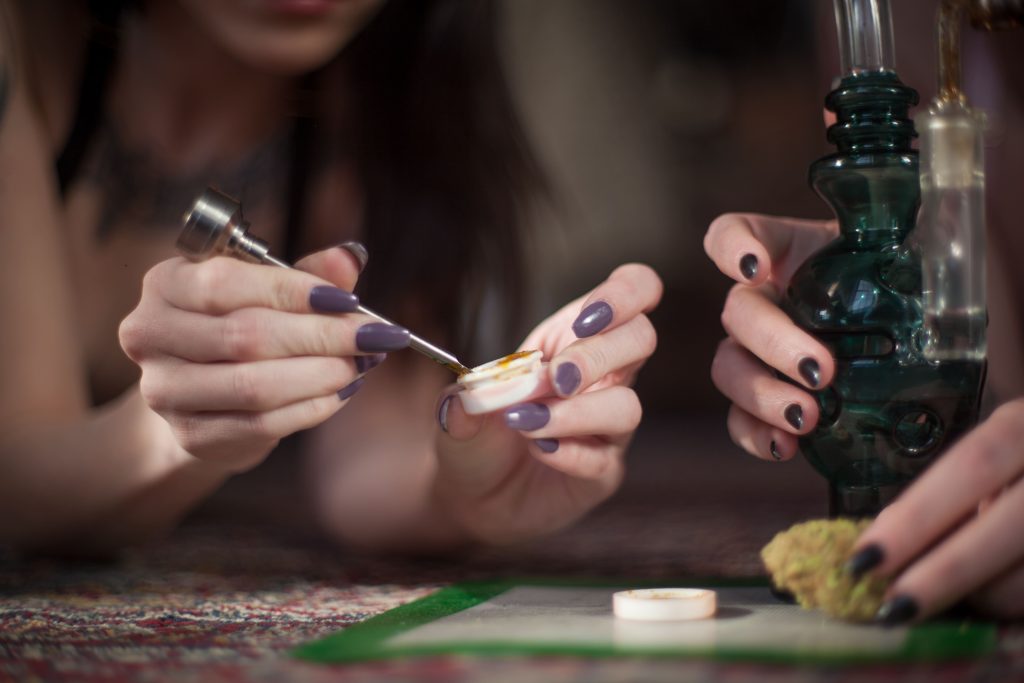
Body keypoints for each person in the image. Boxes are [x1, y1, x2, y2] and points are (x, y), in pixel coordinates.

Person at [0, 0, 661, 554]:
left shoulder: (379, 95)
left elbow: (373, 458)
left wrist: (468, 483)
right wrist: (172, 434)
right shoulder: (20, 47)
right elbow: (15, 483)